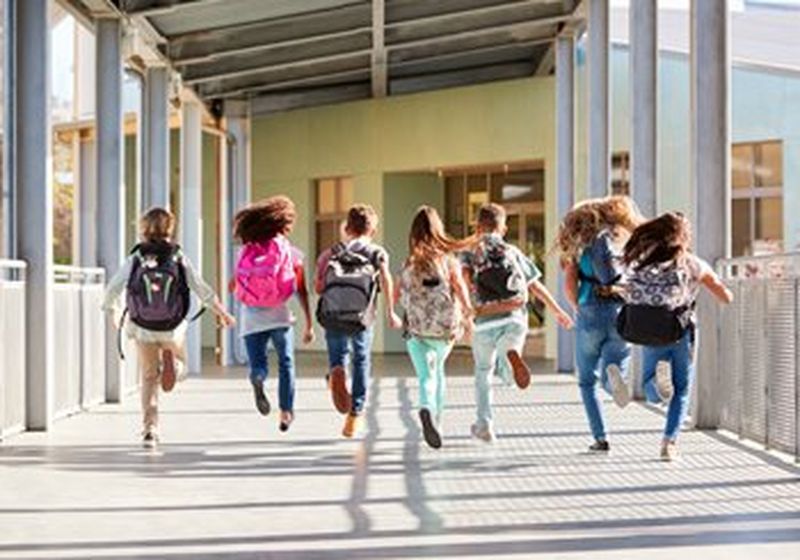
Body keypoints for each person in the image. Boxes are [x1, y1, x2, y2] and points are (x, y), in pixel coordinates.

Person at [102, 207, 235, 449]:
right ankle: (174, 364)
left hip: (142, 325)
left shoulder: (136, 257)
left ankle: (150, 429)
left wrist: (111, 310)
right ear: (170, 229)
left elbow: (114, 287)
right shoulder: (177, 256)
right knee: (181, 365)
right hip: (172, 326)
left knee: (148, 377)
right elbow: (199, 287)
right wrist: (222, 313)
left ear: (144, 228)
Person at [621, 212, 733, 461]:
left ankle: (655, 388)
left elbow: (623, 284)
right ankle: (669, 443)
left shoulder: (642, 261)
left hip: (649, 330)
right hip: (680, 331)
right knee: (681, 390)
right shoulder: (691, 263)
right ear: (683, 237)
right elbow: (721, 292)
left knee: (650, 383)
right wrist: (727, 295)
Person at [462, 203, 573, 443]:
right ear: (502, 227)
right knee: (508, 359)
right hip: (514, 317)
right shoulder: (511, 251)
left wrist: (465, 313)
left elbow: (463, 283)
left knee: (483, 371)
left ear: (478, 226)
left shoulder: (470, 251)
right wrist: (558, 311)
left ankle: (484, 425)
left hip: (484, 319)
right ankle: (511, 362)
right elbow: (534, 285)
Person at [556, 195, 642, 453]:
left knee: (585, 381)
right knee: (615, 362)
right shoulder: (620, 240)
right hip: (618, 309)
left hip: (590, 311)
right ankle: (615, 379)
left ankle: (601, 437)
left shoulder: (579, 246)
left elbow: (570, 283)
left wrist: (577, 307)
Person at [315, 204, 402, 438]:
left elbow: (318, 286)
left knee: (338, 357)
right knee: (361, 359)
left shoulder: (330, 253)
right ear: (372, 230)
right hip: (361, 317)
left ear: (347, 227)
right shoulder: (376, 253)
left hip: (333, 315)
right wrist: (391, 312)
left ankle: (335, 374)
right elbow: (386, 279)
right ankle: (354, 415)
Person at [232, 196, 314, 432]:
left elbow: (235, 285)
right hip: (279, 316)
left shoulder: (246, 251)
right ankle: (286, 411)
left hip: (251, 317)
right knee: (286, 363)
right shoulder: (288, 249)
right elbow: (301, 288)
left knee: (258, 364)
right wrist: (308, 324)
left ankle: (257, 378)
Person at [396, 206, 474, 449]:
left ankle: (426, 407)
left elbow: (398, 293)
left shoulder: (408, 263)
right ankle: (437, 422)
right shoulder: (448, 260)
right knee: (438, 370)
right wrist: (468, 314)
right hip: (444, 329)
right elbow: (460, 288)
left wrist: (395, 310)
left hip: (416, 329)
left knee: (425, 377)